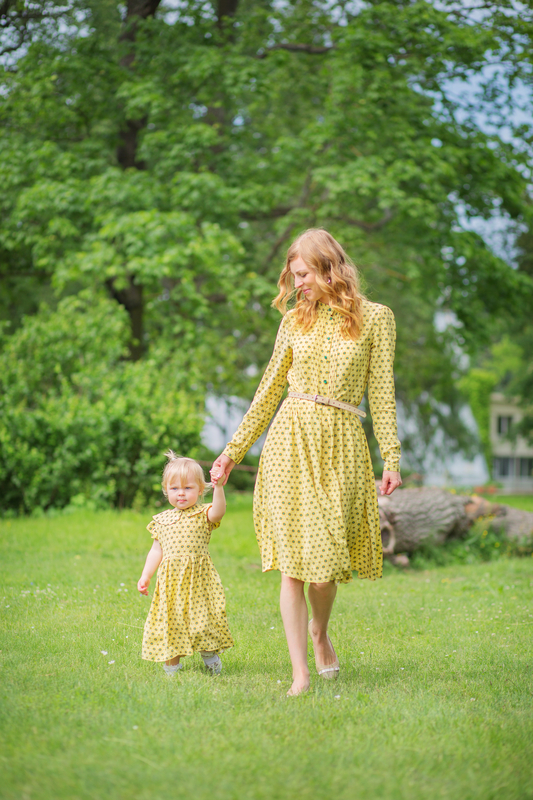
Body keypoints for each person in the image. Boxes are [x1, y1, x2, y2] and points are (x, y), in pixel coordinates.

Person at [212, 228, 401, 696]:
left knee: (325, 568)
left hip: (342, 446)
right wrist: (233, 451)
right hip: (289, 444)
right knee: (293, 567)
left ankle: (320, 630)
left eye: (303, 274)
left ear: (329, 269)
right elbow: (268, 391)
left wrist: (392, 457)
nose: (297, 284)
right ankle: (300, 673)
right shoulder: (294, 321)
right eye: (293, 275)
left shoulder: (377, 319)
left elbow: (382, 393)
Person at [138, 452, 234, 675]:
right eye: (174, 488)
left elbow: (219, 512)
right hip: (171, 583)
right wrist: (146, 575)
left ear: (200, 490)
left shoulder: (203, 513)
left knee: (202, 621)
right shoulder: (162, 520)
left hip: (198, 580)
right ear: (166, 490)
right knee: (172, 622)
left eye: (188, 488)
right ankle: (172, 667)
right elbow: (156, 550)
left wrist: (219, 487)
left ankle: (209, 656)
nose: (181, 493)